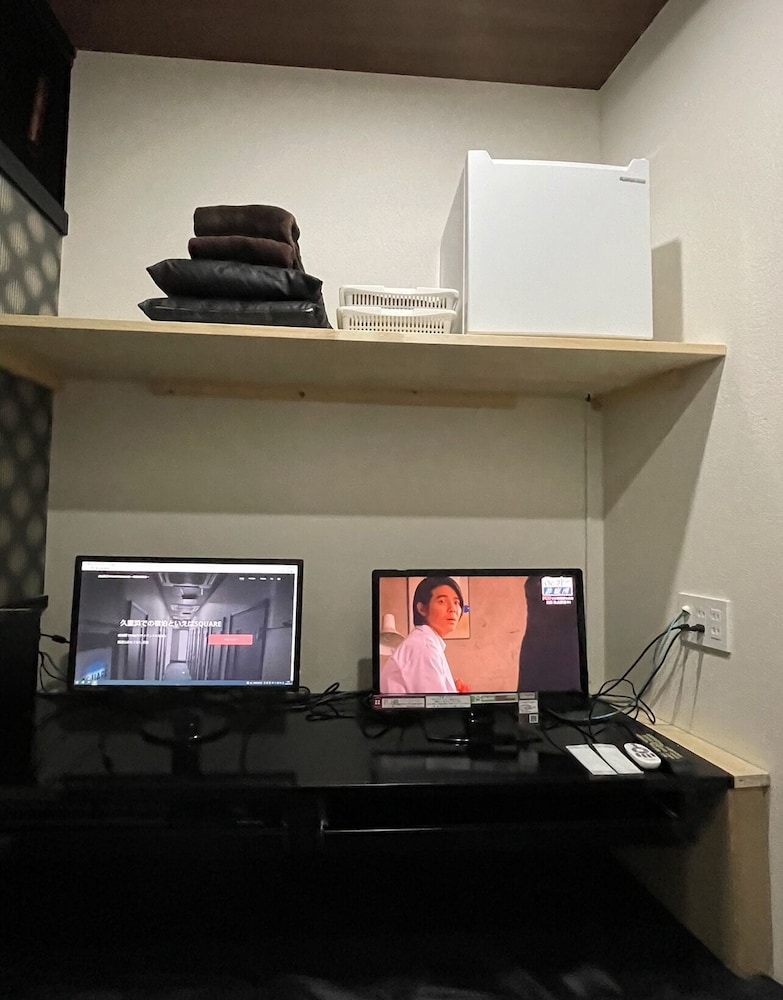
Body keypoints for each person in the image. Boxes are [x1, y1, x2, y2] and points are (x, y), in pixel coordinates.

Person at [380, 576, 464, 695]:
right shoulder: (423, 646)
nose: (453, 609)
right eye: (442, 601)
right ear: (422, 609)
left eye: (456, 602)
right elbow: (436, 704)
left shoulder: (426, 642)